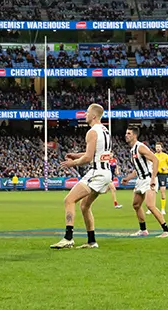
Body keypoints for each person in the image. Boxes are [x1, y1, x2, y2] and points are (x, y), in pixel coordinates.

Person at [49, 103, 112, 249]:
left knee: (69, 200)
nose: (85, 115)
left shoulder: (92, 132)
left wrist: (73, 163)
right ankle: (91, 241)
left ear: (94, 115)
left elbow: (88, 158)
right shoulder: (105, 130)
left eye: (87, 112)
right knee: (85, 205)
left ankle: (68, 238)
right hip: (106, 173)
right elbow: (96, 153)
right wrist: (76, 155)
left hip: (96, 172)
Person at [123, 127, 168, 237]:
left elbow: (155, 160)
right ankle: (143, 230)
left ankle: (167, 231)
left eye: (129, 133)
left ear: (135, 135)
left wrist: (153, 178)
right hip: (140, 180)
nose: (126, 135)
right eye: (126, 133)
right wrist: (128, 178)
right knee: (136, 205)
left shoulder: (140, 147)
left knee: (150, 205)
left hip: (149, 179)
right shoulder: (132, 150)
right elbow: (138, 169)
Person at [154, 142, 168, 216]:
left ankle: (163, 209)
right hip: (155, 174)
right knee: (153, 191)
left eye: (159, 147)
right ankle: (151, 208)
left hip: (163, 174)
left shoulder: (165, 155)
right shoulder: (154, 155)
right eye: (156, 147)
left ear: (161, 148)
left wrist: (166, 167)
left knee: (162, 190)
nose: (157, 148)